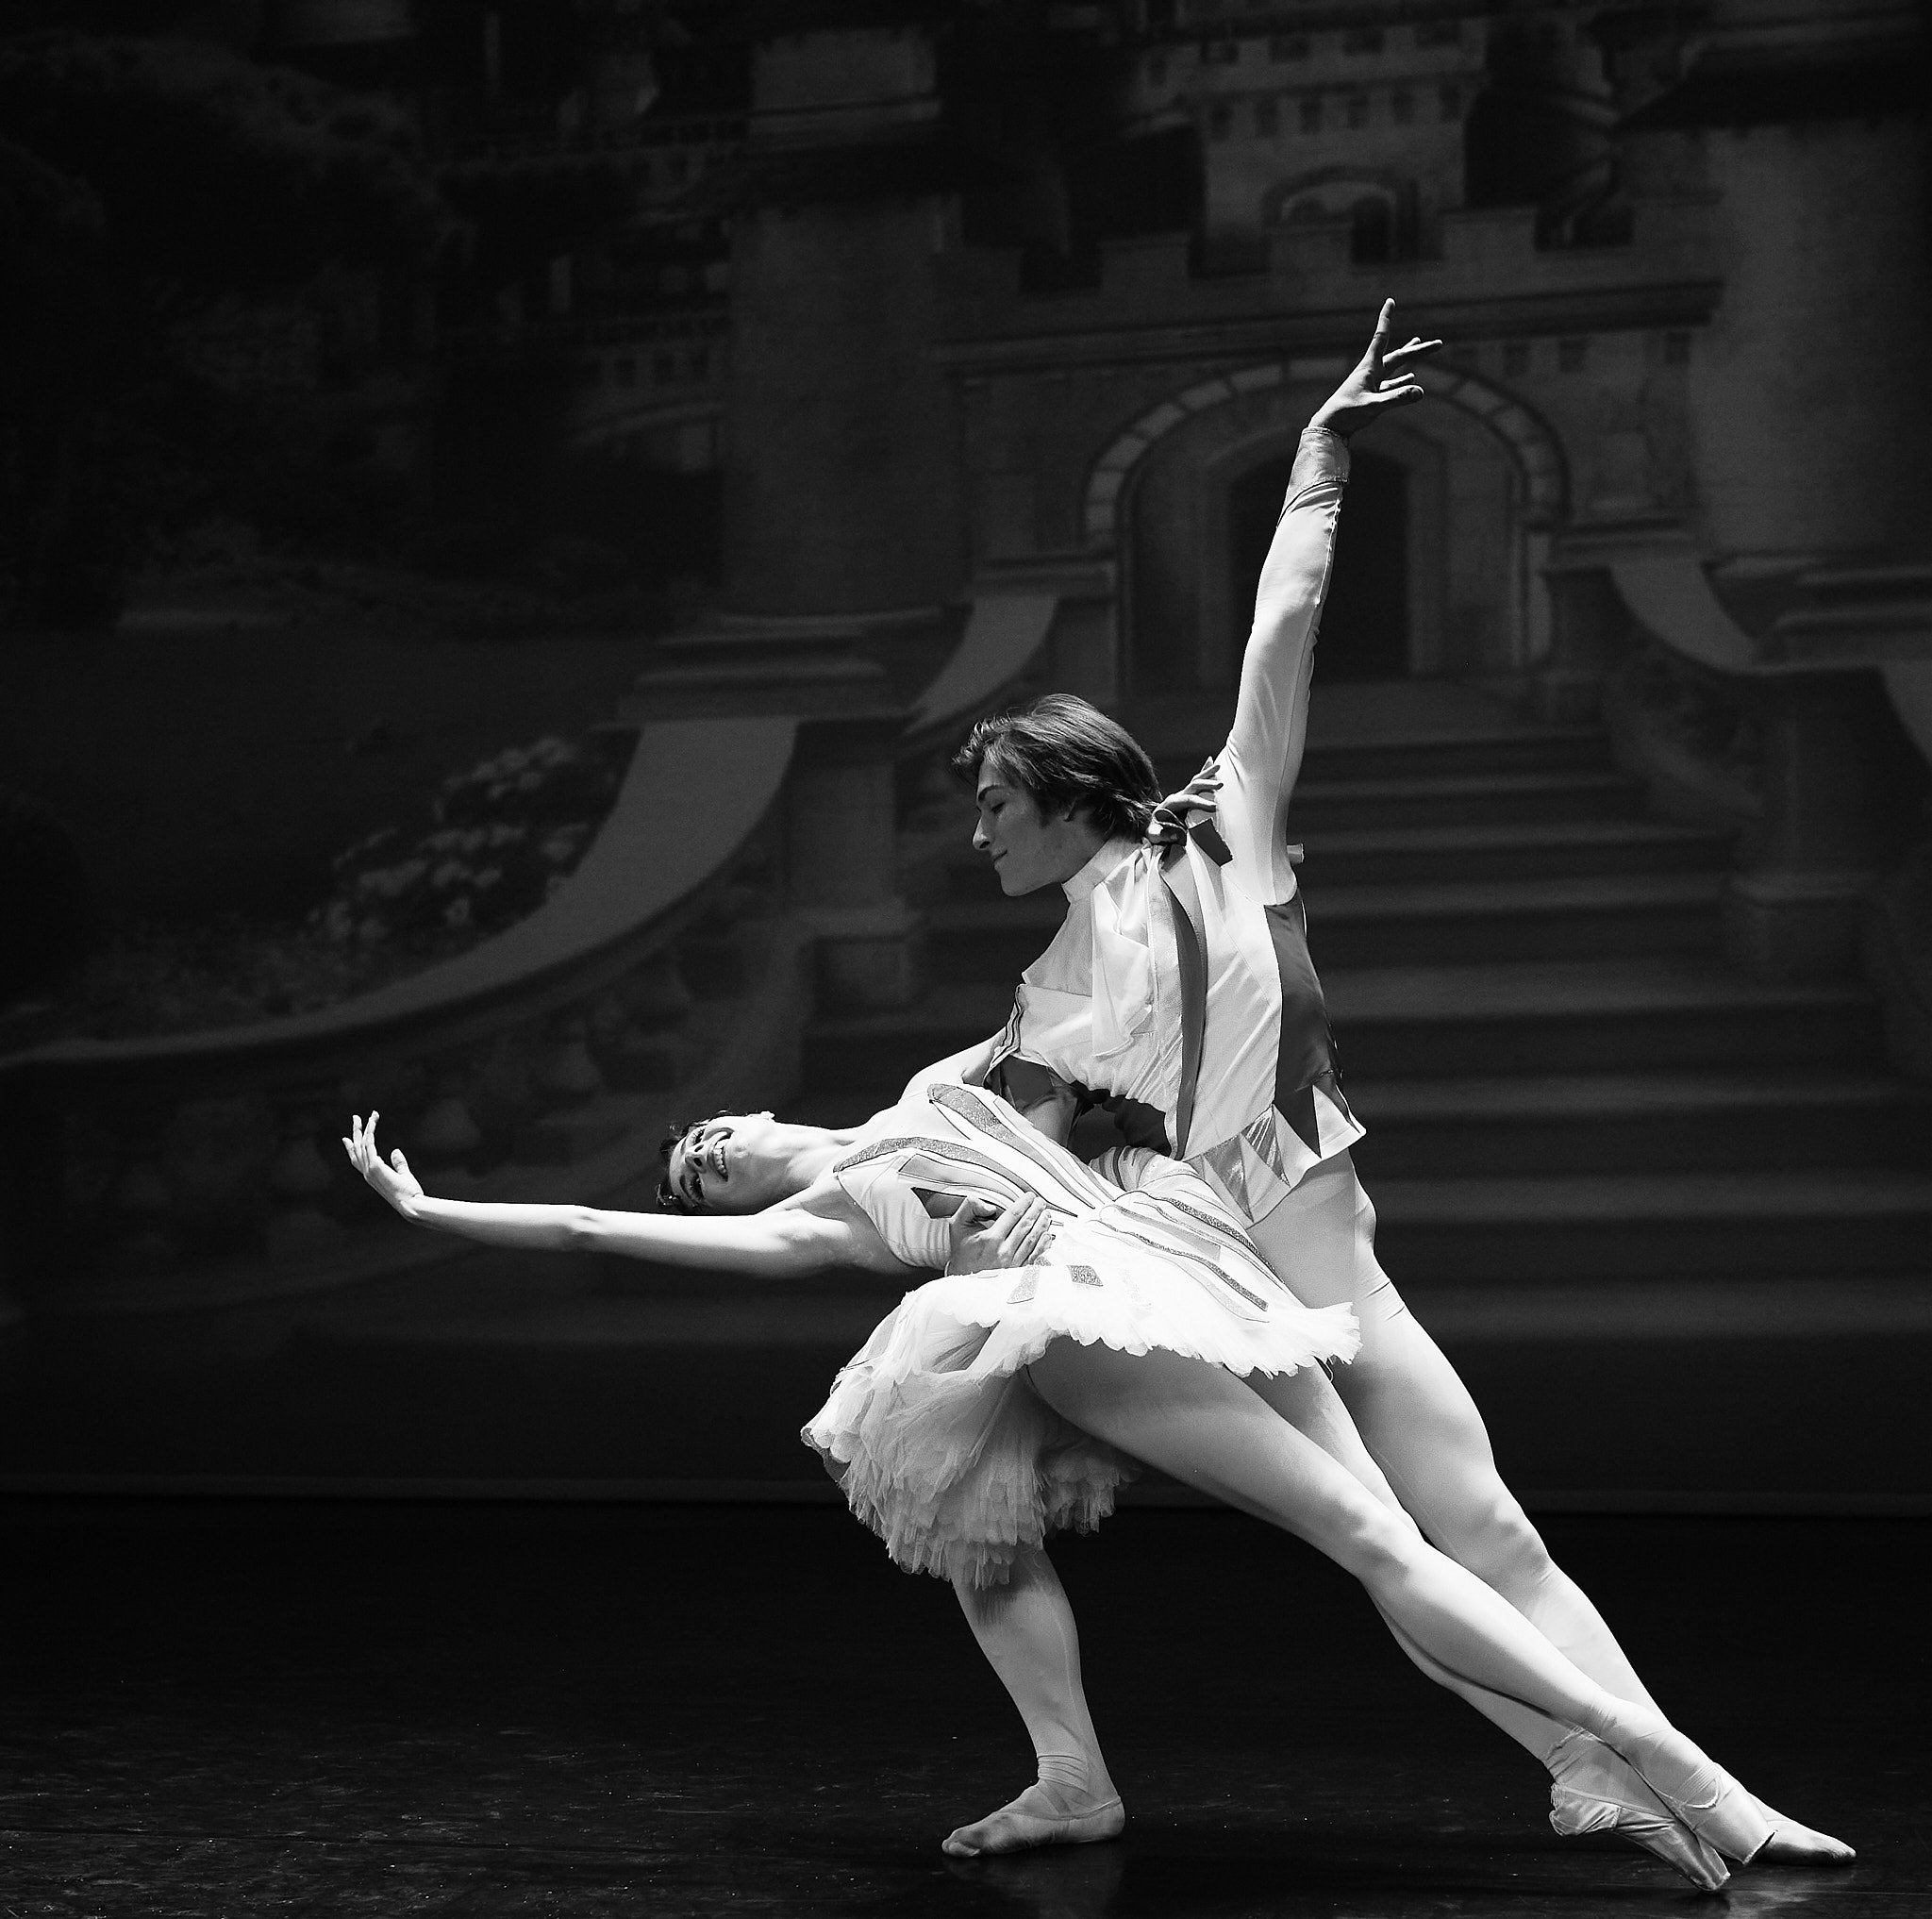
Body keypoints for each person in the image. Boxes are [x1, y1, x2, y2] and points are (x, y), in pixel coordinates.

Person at [946, 299, 1850, 1870]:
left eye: (993, 808)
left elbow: (1278, 633)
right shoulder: (1039, 995)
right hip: (1215, 1271)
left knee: (1487, 1526)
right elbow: (1003, 1149)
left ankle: (1641, 1777)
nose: (979, 838)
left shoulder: (1220, 826)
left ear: (1061, 791)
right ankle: (1662, 1777)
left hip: (1318, 1223)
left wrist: (1317, 460)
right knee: (1384, 1544)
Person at [347, 1069, 1768, 1892]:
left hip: (1180, 1266)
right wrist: (436, 1206)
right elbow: (596, 1228)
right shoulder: (823, 1219)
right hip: (1067, 1315)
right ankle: (1655, 1751)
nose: (709, 1162)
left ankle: (1583, 1760)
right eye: (702, 1180)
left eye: (709, 1140)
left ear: (758, 1107)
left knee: (1391, 1535)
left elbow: (1082, 1006)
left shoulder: (933, 1092)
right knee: (1000, 1521)